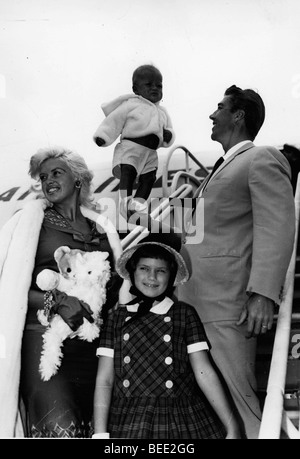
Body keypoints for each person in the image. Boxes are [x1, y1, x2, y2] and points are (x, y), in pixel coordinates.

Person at [178, 85, 295, 439]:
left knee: (240, 406)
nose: (212, 116)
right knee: (215, 415)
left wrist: (263, 293)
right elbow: (196, 233)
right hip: (194, 303)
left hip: (228, 304)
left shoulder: (262, 158)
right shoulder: (216, 171)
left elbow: (277, 226)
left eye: (219, 108)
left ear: (238, 115)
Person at [0, 146, 122, 438]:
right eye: (43, 177)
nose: (48, 181)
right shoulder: (28, 223)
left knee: (96, 429)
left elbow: (115, 290)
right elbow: (8, 286)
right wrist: (56, 300)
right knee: (59, 427)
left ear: (78, 179)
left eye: (57, 172)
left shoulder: (103, 228)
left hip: (92, 346)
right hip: (42, 342)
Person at [92, 233, 241, 439]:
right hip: (129, 420)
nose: (152, 277)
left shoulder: (183, 314)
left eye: (160, 271)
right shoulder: (117, 319)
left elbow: (204, 372)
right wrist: (100, 434)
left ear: (171, 277)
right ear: (132, 271)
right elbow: (104, 380)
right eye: (144, 269)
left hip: (180, 419)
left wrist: (231, 426)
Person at [93, 64, 175, 217]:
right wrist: (103, 136)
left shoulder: (162, 112)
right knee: (128, 172)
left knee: (149, 178)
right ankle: (125, 200)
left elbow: (168, 129)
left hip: (150, 153)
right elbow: (114, 121)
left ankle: (139, 202)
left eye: (159, 85)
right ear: (136, 89)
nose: (155, 88)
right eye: (149, 85)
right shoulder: (131, 105)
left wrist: (168, 135)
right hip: (131, 147)